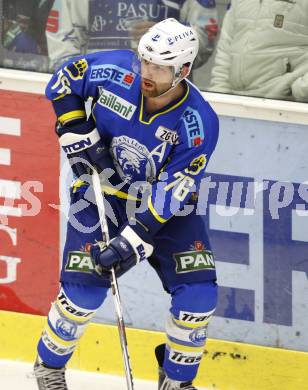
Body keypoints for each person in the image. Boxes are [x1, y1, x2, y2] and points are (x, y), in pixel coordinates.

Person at [33, 18, 219, 390]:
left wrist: (132, 240)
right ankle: (49, 369)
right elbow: (64, 80)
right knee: (83, 295)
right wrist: (73, 127)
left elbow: (172, 194)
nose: (147, 71)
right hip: (100, 194)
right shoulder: (115, 69)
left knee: (198, 297)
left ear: (183, 70)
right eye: (145, 60)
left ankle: (177, 380)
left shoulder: (198, 122)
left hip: (167, 211)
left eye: (160, 67)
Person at [46, 0, 218, 73]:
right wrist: (81, 89)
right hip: (97, 96)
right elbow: (61, 45)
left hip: (164, 101)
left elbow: (206, 37)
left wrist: (171, 37)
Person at [209, 0, 308, 102]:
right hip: (234, 103)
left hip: (287, 105)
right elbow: (226, 47)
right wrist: (219, 94)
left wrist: (300, 90)